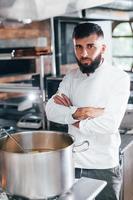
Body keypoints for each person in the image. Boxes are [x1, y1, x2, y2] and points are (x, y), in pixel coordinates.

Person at [45, 22, 130, 200]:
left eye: (90, 46)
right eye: (79, 47)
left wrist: (69, 114)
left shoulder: (119, 78)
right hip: (71, 166)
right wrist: (83, 112)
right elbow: (51, 110)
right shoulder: (70, 77)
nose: (83, 54)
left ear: (103, 48)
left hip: (103, 167)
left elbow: (109, 124)